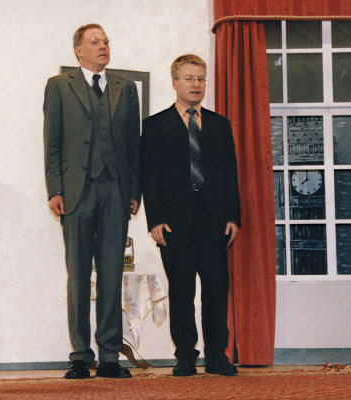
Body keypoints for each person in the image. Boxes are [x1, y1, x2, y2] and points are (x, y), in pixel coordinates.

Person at [43, 23, 140, 379]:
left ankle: (110, 357)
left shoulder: (125, 88)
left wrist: (134, 191)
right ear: (78, 50)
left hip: (115, 189)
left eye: (106, 41)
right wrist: (54, 189)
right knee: (79, 275)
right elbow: (51, 142)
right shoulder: (59, 86)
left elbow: (133, 145)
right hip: (75, 191)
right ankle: (81, 356)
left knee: (112, 274)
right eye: (95, 41)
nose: (103, 46)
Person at [140, 54, 241, 377]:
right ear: (175, 83)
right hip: (174, 225)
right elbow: (150, 176)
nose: (196, 84)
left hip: (215, 224)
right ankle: (185, 356)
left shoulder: (220, 124)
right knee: (182, 292)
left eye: (200, 79)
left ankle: (217, 356)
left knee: (216, 291)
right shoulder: (155, 126)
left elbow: (230, 173)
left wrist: (233, 216)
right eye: (189, 78)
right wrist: (155, 219)